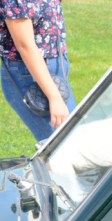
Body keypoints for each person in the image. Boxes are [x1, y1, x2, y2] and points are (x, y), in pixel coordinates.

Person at [0, 0, 75, 141]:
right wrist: (55, 98)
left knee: (71, 142)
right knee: (62, 145)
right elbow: (25, 46)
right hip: (29, 75)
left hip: (55, 68)